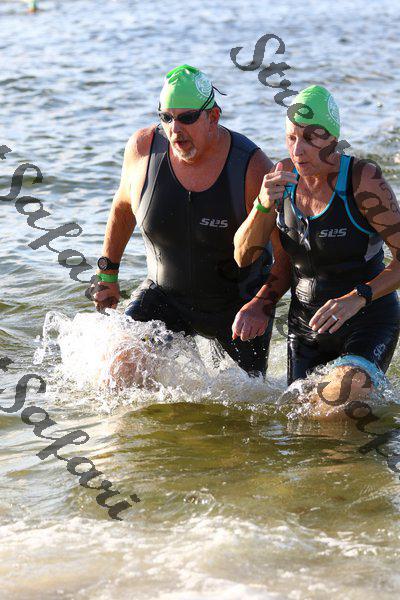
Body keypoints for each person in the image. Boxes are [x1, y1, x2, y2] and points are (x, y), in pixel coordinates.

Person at [92, 64, 289, 377]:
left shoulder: (250, 167)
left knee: (247, 400)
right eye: (166, 117)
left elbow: (286, 255)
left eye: (187, 118)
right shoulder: (143, 149)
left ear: (213, 117)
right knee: (118, 367)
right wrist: (107, 275)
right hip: (165, 295)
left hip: (238, 307)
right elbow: (122, 208)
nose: (175, 129)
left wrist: (262, 305)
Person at [233, 85, 400, 416]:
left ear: (333, 140)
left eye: (311, 139)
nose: (298, 150)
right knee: (304, 422)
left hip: (366, 318)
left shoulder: (363, 180)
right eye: (291, 138)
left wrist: (357, 297)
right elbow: (245, 257)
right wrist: (262, 206)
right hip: (306, 327)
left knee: (344, 399)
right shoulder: (281, 179)